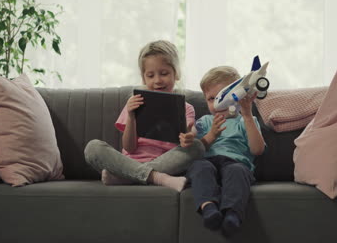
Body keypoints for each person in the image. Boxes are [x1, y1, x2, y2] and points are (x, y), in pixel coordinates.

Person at [84, 40, 204, 192]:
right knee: (92, 148)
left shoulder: (186, 108)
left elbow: (190, 132)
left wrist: (189, 135)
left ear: (176, 73)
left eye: (164, 73)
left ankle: (126, 178)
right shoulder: (134, 104)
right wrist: (131, 116)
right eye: (150, 75)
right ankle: (157, 178)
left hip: (166, 164)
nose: (158, 80)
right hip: (130, 162)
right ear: (143, 78)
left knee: (198, 146)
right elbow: (129, 147)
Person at [186, 66, 265, 236]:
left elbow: (257, 150)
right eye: (211, 98)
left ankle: (232, 214)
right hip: (208, 162)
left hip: (236, 163)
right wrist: (202, 134)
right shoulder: (206, 121)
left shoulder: (245, 121)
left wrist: (248, 116)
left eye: (222, 96)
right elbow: (195, 148)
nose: (216, 103)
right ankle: (209, 208)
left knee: (236, 171)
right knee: (199, 167)